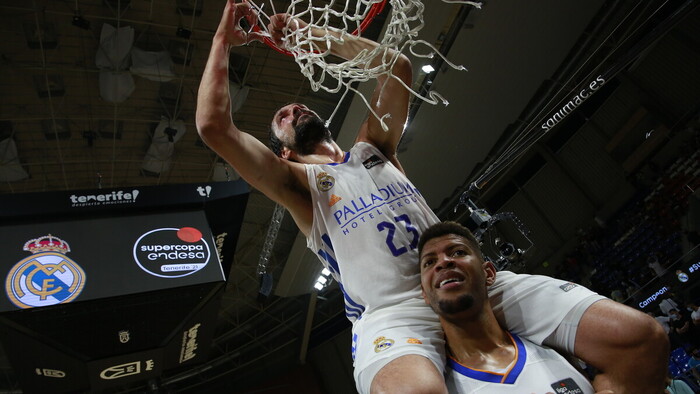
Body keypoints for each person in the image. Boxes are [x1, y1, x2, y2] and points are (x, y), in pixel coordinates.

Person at [196, 2, 669, 393]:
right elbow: (214, 127)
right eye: (283, 115)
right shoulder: (297, 184)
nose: (294, 108)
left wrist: (307, 33)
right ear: (282, 148)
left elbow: (395, 68)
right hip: (394, 313)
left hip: (465, 280)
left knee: (639, 337)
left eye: (299, 105)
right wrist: (221, 43)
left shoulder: (372, 149)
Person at [418, 221, 596, 393]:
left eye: (458, 252)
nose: (443, 262)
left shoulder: (554, 347)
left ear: (488, 273)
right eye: (429, 262)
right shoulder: (434, 386)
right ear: (424, 294)